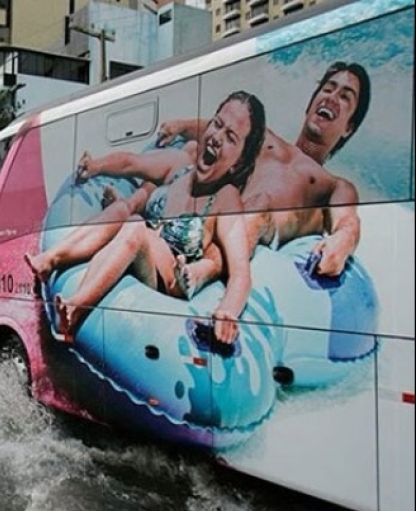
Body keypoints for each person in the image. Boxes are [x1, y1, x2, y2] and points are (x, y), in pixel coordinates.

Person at [38, 91, 267, 345]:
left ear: (237, 162)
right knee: (126, 218)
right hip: (143, 252)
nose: (217, 138)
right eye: (217, 124)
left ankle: (77, 306)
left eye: (231, 137)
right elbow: (130, 163)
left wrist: (228, 311)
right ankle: (53, 259)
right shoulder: (180, 169)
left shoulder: (226, 199)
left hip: (170, 281)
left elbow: (240, 273)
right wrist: (97, 166)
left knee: (135, 225)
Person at [157, 61, 371, 283]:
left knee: (259, 206)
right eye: (328, 89)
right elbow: (221, 128)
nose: (332, 98)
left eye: (345, 96)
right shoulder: (265, 138)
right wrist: (180, 126)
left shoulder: (335, 185)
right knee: (189, 156)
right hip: (222, 217)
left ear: (349, 128)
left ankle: (205, 271)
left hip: (261, 224)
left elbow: (347, 222)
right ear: (309, 105)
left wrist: (343, 240)